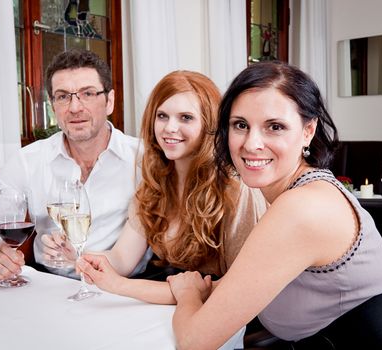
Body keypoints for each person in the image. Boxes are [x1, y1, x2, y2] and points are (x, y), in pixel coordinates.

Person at [166, 61, 382, 349]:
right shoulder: (301, 189)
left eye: (275, 126)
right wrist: (121, 285)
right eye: (241, 125)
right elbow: (232, 290)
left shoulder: (302, 207)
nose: (251, 143)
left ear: (308, 131)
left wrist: (188, 297)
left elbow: (195, 341)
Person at [60, 70, 267, 306]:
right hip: (171, 303)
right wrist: (79, 255)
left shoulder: (236, 189)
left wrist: (122, 286)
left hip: (225, 312)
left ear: (210, 125)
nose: (169, 128)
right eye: (162, 116)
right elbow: (121, 259)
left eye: (186, 118)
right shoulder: (154, 184)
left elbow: (237, 289)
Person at [0, 49, 148, 282]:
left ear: (109, 102)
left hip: (127, 286)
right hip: (50, 284)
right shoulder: (27, 161)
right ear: (52, 106)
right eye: (62, 96)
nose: (75, 107)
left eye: (87, 93)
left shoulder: (144, 159)